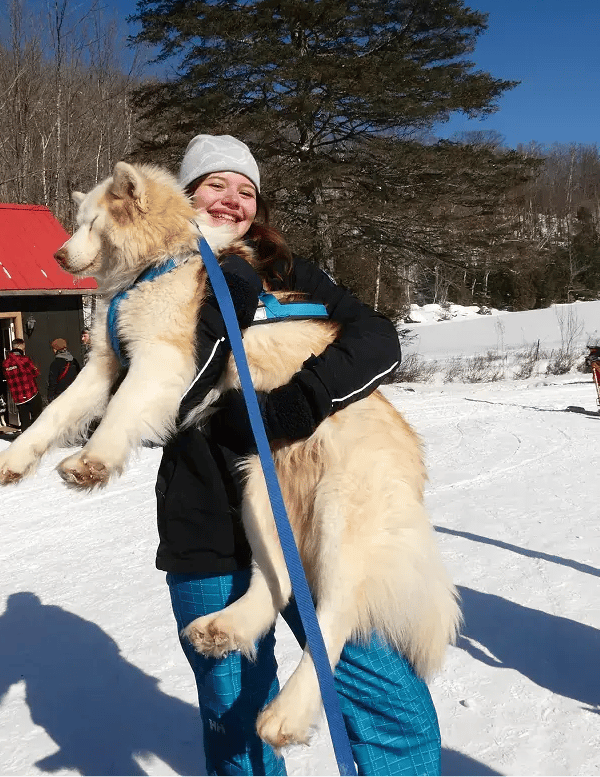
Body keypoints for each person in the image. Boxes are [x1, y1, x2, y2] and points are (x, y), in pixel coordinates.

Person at [157, 134, 439, 777]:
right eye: (214, 184)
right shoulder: (150, 279)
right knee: (237, 724)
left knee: (395, 712)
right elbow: (137, 397)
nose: (232, 199)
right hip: (211, 529)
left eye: (246, 189)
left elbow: (376, 338)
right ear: (183, 194)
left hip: (313, 519)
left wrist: (299, 401)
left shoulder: (285, 272)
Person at [1, 338, 43, 431]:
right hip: (31, 393)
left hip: (18, 397)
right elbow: (35, 373)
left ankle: (26, 440)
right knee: (37, 418)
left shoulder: (5, 363)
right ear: (20, 346)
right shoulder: (25, 359)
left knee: (24, 420)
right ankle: (38, 436)